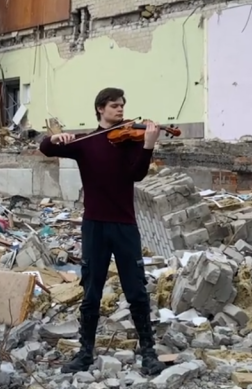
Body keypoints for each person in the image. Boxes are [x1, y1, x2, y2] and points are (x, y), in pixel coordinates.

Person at [39, 87, 165, 376]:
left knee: (136, 289)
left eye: (121, 105)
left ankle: (148, 352)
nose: (120, 110)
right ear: (100, 109)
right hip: (94, 225)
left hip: (125, 225)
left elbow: (137, 174)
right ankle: (85, 353)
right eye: (113, 106)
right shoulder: (86, 142)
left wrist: (148, 145)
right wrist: (55, 137)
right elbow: (46, 148)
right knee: (91, 290)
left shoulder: (131, 140)